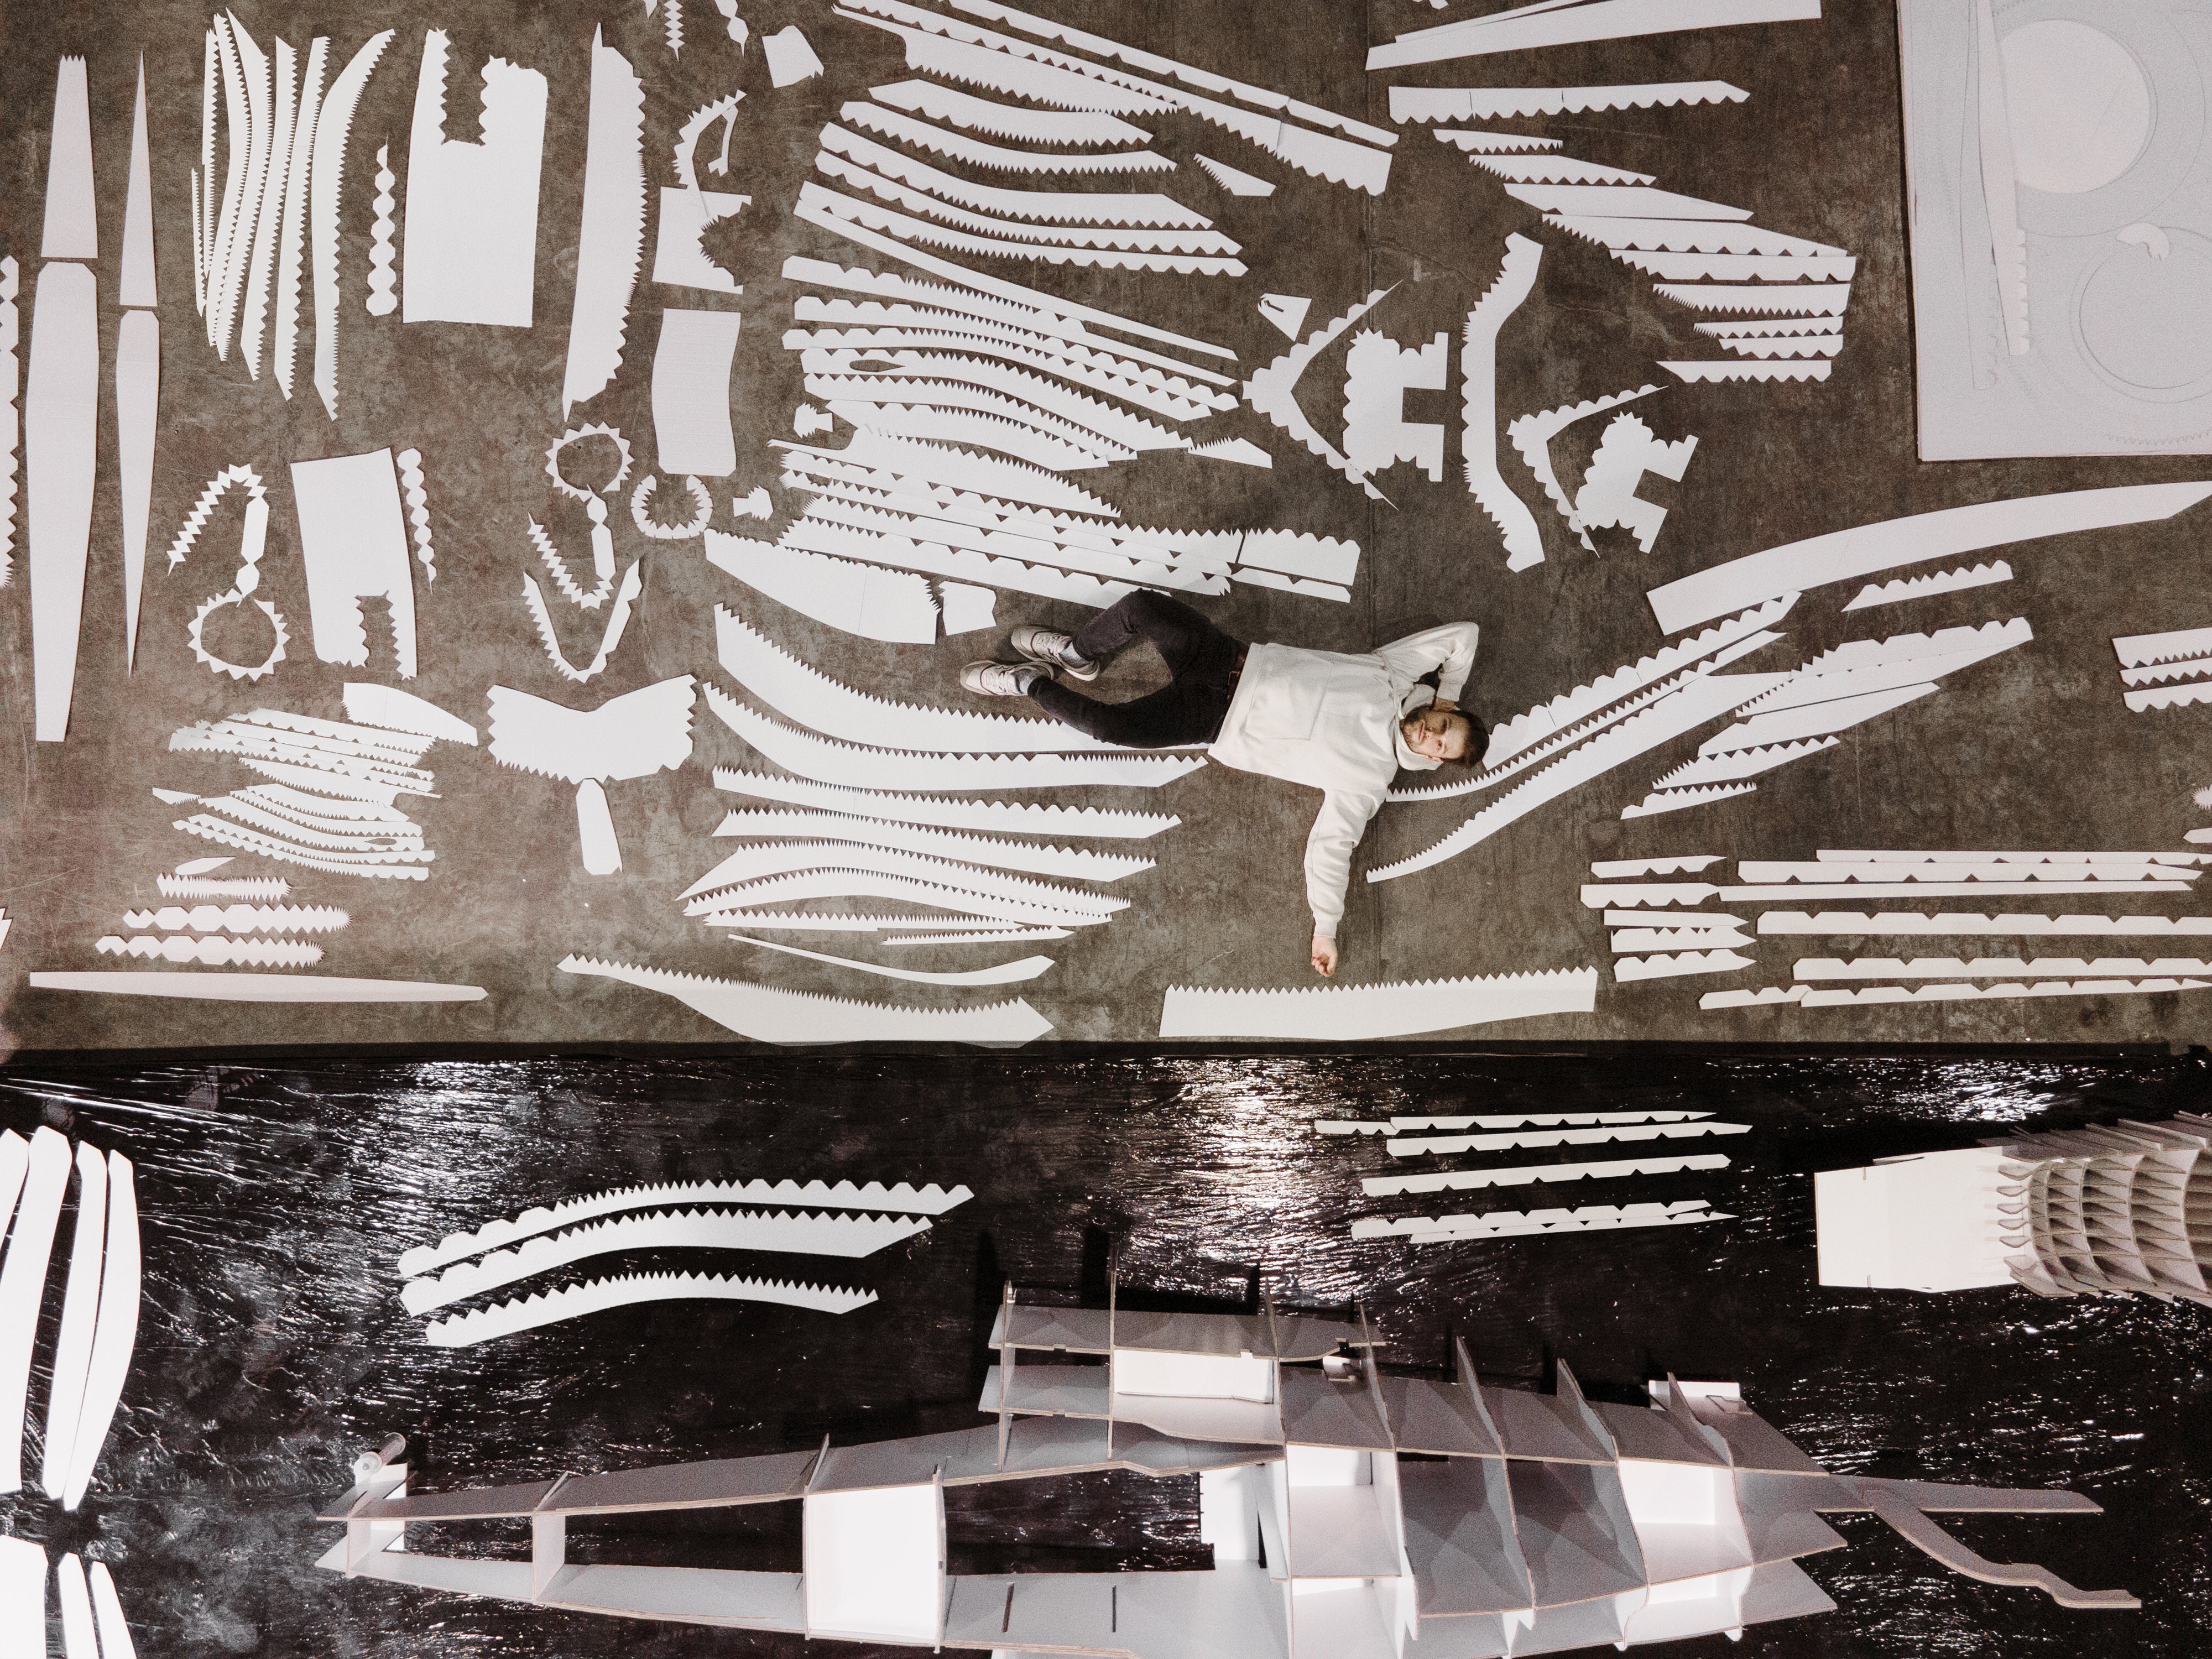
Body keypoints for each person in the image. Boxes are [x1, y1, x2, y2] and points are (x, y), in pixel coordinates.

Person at [959, 592, 1481, 977]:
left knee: (1110, 728)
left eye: (1440, 745)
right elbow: (1464, 634)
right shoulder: (1393, 674)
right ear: (1444, 710)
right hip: (1227, 658)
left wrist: (1326, 928)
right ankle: (1078, 655)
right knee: (1141, 607)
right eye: (1443, 724)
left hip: (1210, 720)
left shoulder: (1369, 780)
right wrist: (1450, 688)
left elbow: (1331, 848)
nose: (1430, 735)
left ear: (1434, 760)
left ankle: (1030, 683)